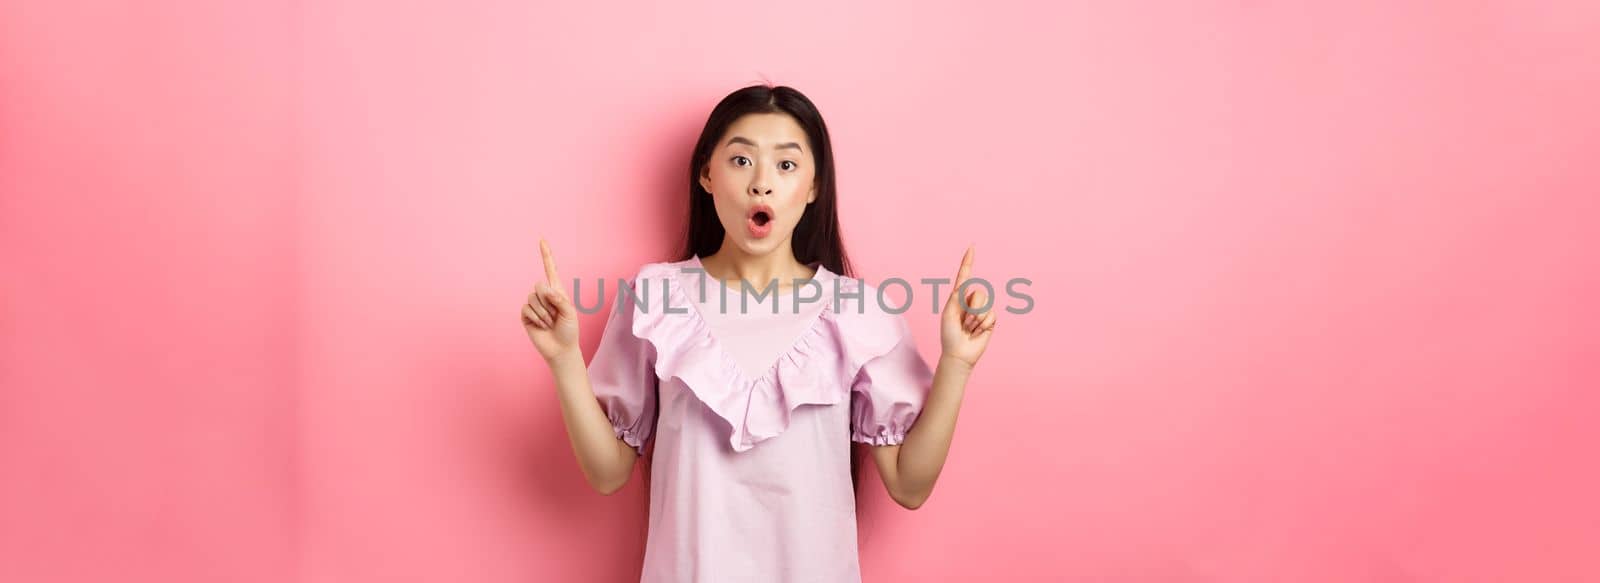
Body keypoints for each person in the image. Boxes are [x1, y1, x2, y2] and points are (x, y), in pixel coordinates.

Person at [520, 84, 997, 582]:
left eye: (786, 165)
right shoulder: (654, 298)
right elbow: (607, 472)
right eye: (741, 160)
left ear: (813, 187)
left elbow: (909, 485)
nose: (762, 184)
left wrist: (958, 363)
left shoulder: (857, 312)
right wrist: (563, 358)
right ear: (707, 174)